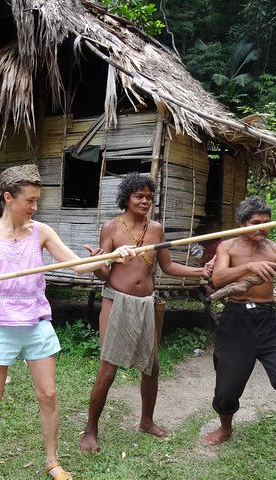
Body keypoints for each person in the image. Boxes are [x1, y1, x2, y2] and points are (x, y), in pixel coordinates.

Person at [0, 164, 135, 480]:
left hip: (36, 322)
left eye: (38, 201)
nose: (35, 207)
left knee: (48, 394)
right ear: (9, 198)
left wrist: (111, 256)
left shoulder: (41, 232)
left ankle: (52, 461)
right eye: (30, 200)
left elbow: (78, 265)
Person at [79, 172, 212, 453]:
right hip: (116, 301)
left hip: (145, 303)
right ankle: (90, 429)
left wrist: (200, 271)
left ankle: (146, 421)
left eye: (149, 197)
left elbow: (168, 267)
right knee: (107, 370)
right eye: (139, 196)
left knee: (152, 366)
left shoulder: (156, 229)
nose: (145, 201)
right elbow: (104, 274)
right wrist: (96, 262)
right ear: (127, 197)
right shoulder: (110, 228)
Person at [203, 195, 276, 467]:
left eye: (267, 223)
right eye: (256, 223)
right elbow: (218, 278)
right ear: (242, 223)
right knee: (227, 386)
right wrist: (248, 267)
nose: (262, 228)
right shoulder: (228, 246)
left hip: (270, 321)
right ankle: (225, 428)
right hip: (236, 320)